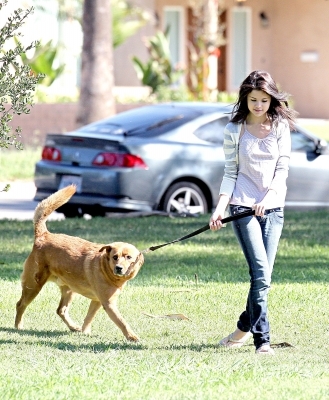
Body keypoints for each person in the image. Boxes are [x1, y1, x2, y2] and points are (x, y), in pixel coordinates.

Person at [209, 70, 297, 355]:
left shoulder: (280, 126)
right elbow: (230, 173)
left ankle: (241, 329)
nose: (258, 105)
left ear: (271, 99)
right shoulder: (234, 130)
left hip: (273, 208)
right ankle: (263, 341)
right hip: (242, 207)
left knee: (263, 278)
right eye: (253, 99)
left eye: (264, 99)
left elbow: (282, 169)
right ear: (245, 99)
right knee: (260, 273)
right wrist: (219, 209)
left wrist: (269, 196)